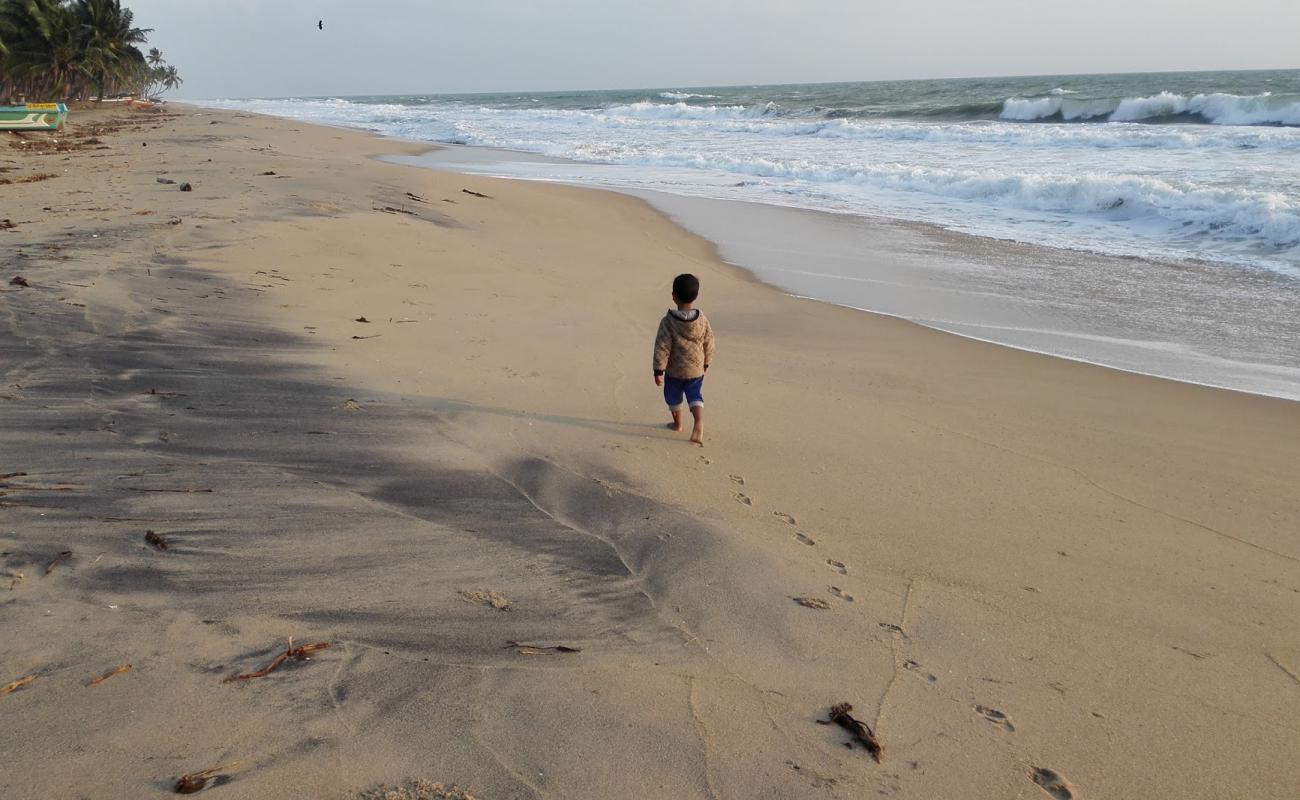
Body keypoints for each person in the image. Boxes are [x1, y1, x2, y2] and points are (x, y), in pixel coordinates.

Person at [653, 273, 716, 445]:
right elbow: (709, 341)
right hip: (696, 369)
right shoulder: (702, 320)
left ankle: (678, 424)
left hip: (675, 370)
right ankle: (698, 421)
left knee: (673, 396)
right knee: (694, 395)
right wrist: (707, 362)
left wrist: (658, 370)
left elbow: (662, 347)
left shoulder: (668, 322)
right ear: (696, 296)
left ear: (674, 296)